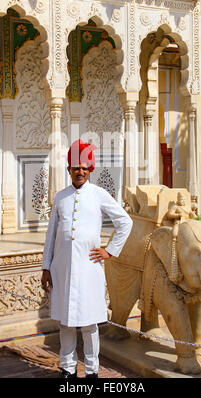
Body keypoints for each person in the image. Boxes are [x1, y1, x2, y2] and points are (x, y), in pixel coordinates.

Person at [41, 139, 133, 379]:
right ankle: (67, 369)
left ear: (89, 169)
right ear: (69, 170)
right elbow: (51, 236)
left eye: (83, 168)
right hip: (62, 269)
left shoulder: (99, 194)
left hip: (89, 269)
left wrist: (110, 250)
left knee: (90, 324)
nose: (79, 172)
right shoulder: (60, 197)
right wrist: (46, 267)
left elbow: (125, 221)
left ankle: (91, 371)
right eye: (75, 168)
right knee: (66, 322)